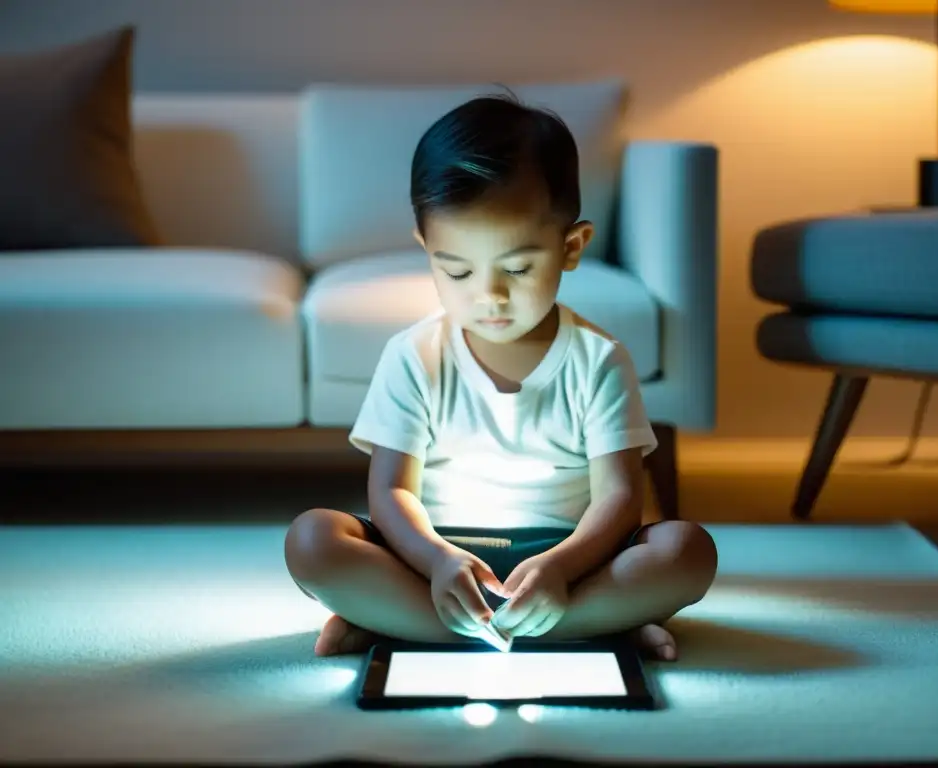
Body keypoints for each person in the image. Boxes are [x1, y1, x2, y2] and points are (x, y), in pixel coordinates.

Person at [284, 92, 717, 661]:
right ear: (427, 250)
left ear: (571, 247)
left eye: (516, 267)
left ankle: (401, 623)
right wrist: (438, 561)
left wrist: (560, 567)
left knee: (687, 550)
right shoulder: (414, 355)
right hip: (435, 560)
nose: (488, 294)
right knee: (312, 540)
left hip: (572, 560)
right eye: (456, 269)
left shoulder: (597, 360)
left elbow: (619, 497)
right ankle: (592, 627)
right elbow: (391, 489)